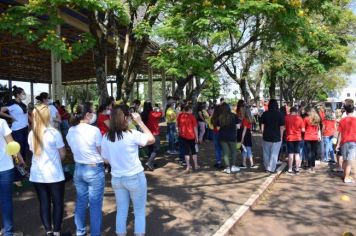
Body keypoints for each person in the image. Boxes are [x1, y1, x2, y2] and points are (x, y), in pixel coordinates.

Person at [101, 104, 155, 236]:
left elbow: (105, 160)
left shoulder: (106, 137)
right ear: (125, 117)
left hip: (117, 178)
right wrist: (140, 122)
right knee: (139, 211)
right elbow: (152, 139)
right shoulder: (132, 134)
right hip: (134, 177)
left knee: (121, 210)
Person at [66, 102, 105, 236]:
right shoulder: (94, 130)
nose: (95, 114)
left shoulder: (71, 130)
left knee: (81, 202)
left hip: (79, 169)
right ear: (88, 114)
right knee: (95, 205)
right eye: (93, 112)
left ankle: (80, 232)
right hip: (94, 169)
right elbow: (101, 152)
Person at [28, 104, 66, 236]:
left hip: (37, 175)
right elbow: (62, 154)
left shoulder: (31, 134)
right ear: (48, 116)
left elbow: (33, 152)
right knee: (58, 203)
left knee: (44, 203)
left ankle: (48, 231)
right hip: (54, 175)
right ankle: (56, 232)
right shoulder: (54, 133)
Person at [0, 118, 25, 236]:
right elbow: (11, 144)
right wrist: (20, 159)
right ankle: (8, 233)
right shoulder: (1, 122)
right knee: (6, 201)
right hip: (5, 166)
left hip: (5, 167)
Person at [1, 86, 29, 164]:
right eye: (23, 93)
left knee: (24, 148)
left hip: (25, 128)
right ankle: (18, 167)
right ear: (17, 94)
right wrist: (10, 117)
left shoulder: (23, 105)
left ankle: (23, 166)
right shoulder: (12, 104)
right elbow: (1, 111)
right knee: (18, 149)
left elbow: (25, 115)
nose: (24, 95)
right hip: (17, 130)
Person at [261, 99, 285, 173]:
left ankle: (266, 167)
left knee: (266, 153)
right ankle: (271, 168)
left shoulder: (265, 113)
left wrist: (262, 133)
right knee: (274, 153)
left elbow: (262, 125)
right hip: (276, 136)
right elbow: (282, 127)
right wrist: (281, 136)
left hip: (266, 136)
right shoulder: (280, 114)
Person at [336, 99, 356, 183]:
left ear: (346, 111)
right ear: (353, 110)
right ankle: (346, 177)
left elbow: (340, 133)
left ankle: (345, 175)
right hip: (353, 142)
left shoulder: (342, 120)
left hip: (344, 142)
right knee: (349, 160)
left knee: (345, 160)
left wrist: (337, 144)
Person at [218, 103, 240, 174]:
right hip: (232, 136)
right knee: (233, 151)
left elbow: (218, 128)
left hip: (222, 136)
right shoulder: (234, 115)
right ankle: (233, 166)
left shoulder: (220, 117)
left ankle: (227, 168)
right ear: (229, 108)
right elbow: (238, 126)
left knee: (225, 153)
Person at [177, 105, 200, 172]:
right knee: (193, 151)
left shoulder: (180, 116)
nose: (192, 111)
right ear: (189, 110)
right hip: (191, 136)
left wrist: (180, 133)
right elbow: (195, 128)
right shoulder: (192, 117)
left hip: (183, 136)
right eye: (191, 110)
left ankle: (188, 166)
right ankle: (195, 165)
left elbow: (178, 126)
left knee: (186, 152)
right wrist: (197, 137)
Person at [141, 101, 163, 170]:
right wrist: (161, 108)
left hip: (147, 133)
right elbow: (162, 114)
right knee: (157, 148)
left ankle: (151, 162)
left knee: (150, 148)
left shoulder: (143, 114)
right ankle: (150, 162)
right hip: (154, 133)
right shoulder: (153, 113)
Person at [285, 106, 305, 175]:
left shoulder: (286, 118)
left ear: (290, 111)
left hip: (289, 137)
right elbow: (303, 130)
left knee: (290, 154)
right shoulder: (299, 118)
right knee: (297, 154)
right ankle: (297, 169)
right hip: (298, 138)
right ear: (296, 112)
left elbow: (284, 127)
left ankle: (290, 169)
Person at [303, 107, 321, 173]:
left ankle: (309, 166)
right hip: (315, 137)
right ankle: (312, 167)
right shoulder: (317, 119)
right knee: (313, 152)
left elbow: (303, 129)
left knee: (309, 152)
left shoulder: (306, 119)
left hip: (307, 137)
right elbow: (318, 128)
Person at [211, 105, 222, 169]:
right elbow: (218, 128)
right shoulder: (220, 117)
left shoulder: (214, 117)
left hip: (215, 133)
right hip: (219, 133)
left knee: (217, 148)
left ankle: (218, 161)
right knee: (220, 148)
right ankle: (219, 162)